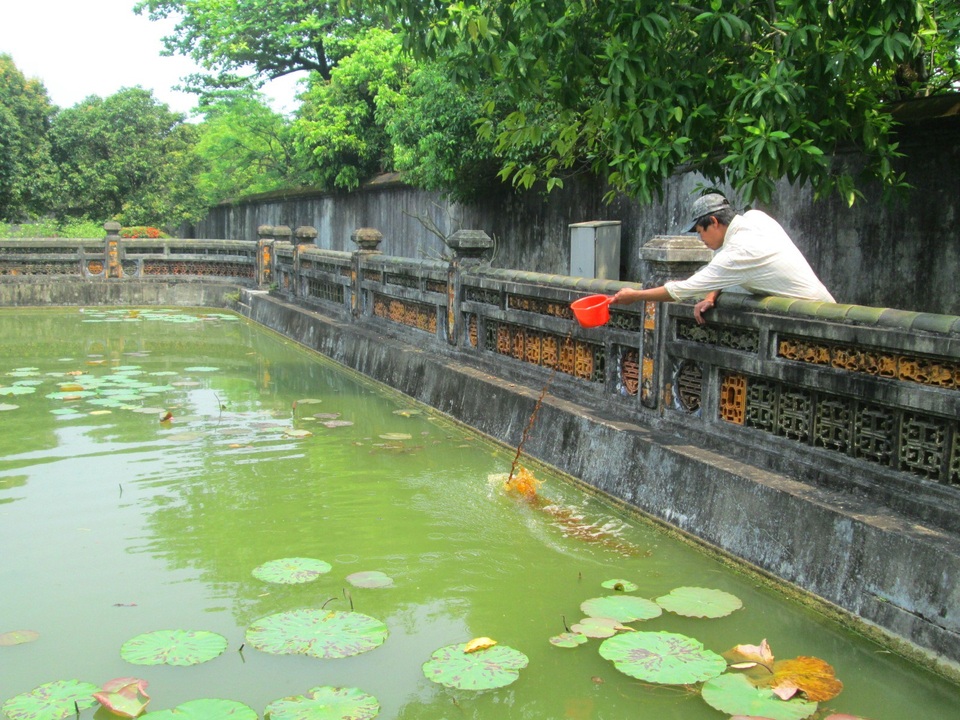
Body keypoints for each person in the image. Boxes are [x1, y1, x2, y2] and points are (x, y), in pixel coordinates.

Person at [610, 193, 835, 324]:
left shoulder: (738, 251)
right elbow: (724, 269)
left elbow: (683, 289)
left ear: (714, 222)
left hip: (814, 320)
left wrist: (636, 296)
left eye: (700, 231)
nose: (701, 239)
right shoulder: (755, 218)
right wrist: (711, 295)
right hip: (825, 308)